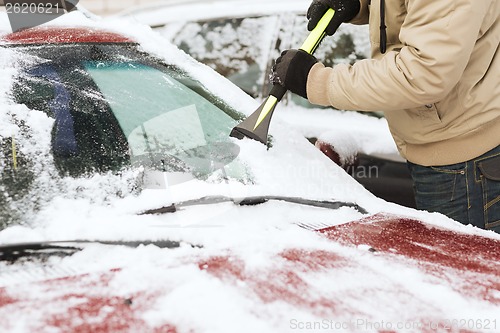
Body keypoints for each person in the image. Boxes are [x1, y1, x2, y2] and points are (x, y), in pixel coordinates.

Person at [271, 0, 500, 233]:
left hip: (464, 166)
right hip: (445, 150)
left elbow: (421, 74)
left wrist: (318, 81)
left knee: (458, 266)